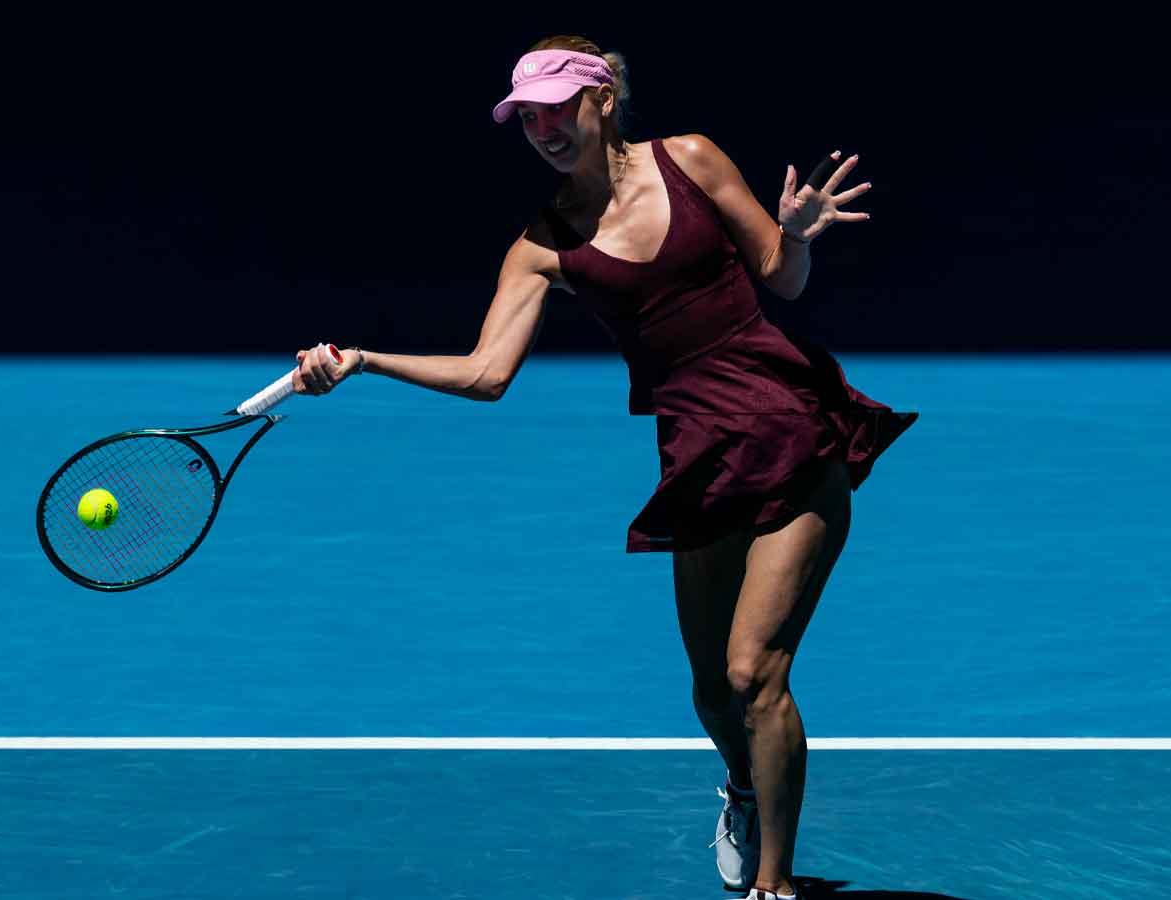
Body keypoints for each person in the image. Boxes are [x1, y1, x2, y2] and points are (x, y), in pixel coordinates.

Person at [288, 34, 917, 900]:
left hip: (791, 425)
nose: (543, 127)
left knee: (753, 672)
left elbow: (782, 276)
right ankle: (741, 788)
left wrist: (799, 237)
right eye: (527, 117)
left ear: (603, 98)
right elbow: (486, 374)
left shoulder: (693, 159)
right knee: (709, 694)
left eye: (557, 107)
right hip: (698, 454)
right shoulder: (541, 245)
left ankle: (775, 885)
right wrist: (362, 358)